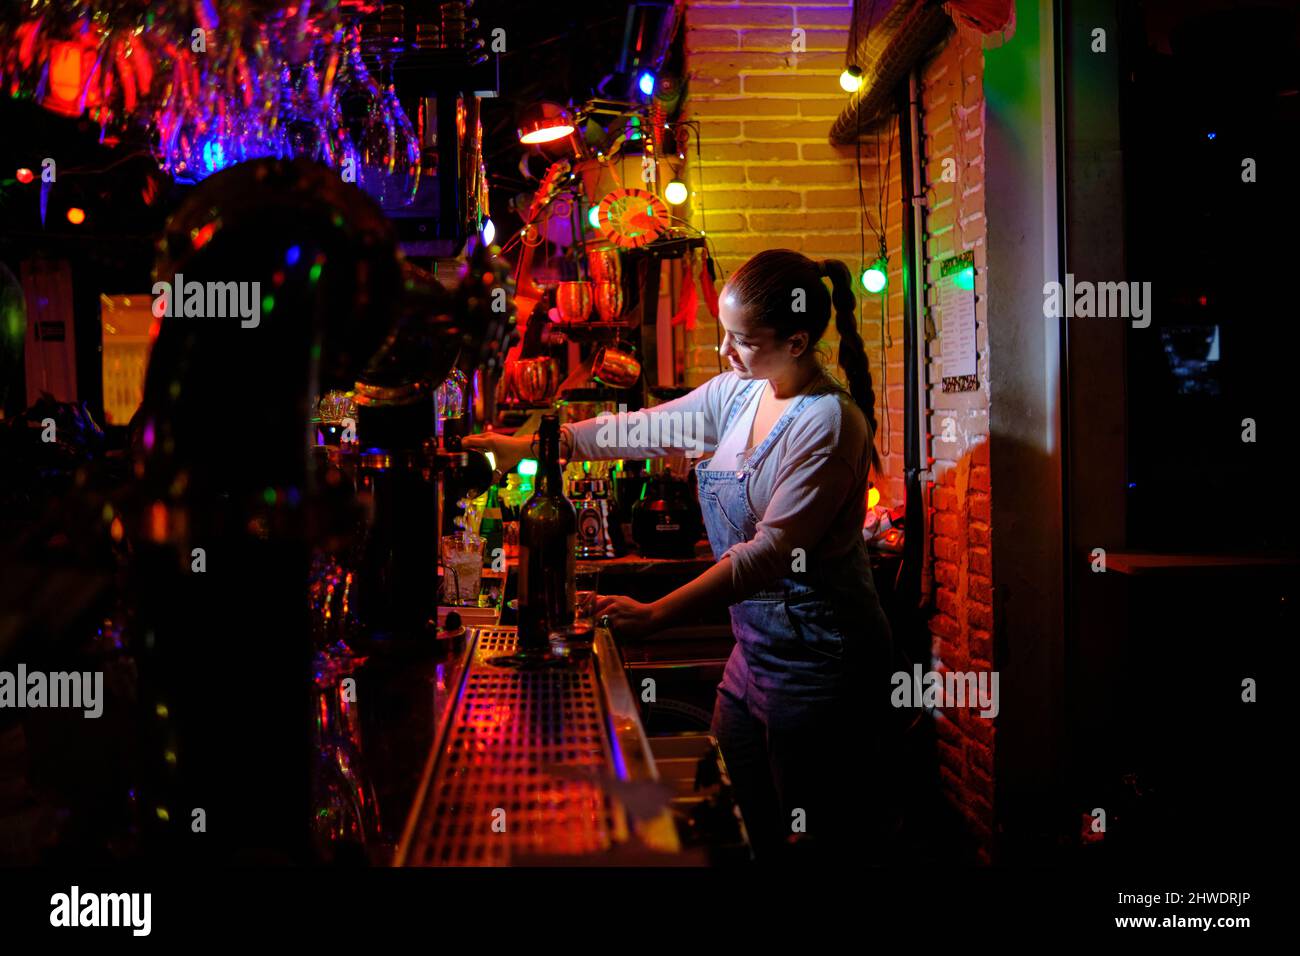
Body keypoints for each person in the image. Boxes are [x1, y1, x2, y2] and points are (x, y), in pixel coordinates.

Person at [465, 249, 895, 862]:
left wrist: (657, 613)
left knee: (810, 842)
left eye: (741, 340)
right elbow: (637, 430)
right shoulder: (739, 394)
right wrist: (535, 445)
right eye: (725, 334)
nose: (724, 352)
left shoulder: (827, 424)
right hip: (754, 655)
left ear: (797, 341)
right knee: (734, 815)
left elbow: (768, 554)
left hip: (822, 661)